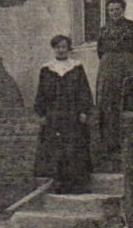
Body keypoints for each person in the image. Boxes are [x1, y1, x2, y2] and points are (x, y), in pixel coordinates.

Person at [34, 35, 93, 194]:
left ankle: (76, 184)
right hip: (54, 115)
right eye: (58, 47)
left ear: (68, 49)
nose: (61, 50)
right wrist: (42, 114)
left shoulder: (76, 67)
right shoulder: (47, 69)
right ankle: (58, 182)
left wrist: (83, 111)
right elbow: (41, 93)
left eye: (64, 47)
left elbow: (84, 90)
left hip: (72, 114)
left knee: (74, 147)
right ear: (54, 49)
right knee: (56, 148)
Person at [95, 0, 133, 154]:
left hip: (128, 66)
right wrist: (108, 63)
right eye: (111, 10)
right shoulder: (103, 29)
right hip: (108, 69)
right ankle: (110, 145)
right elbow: (100, 50)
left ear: (123, 10)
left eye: (117, 9)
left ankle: (132, 141)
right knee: (108, 103)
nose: (114, 13)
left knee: (131, 100)